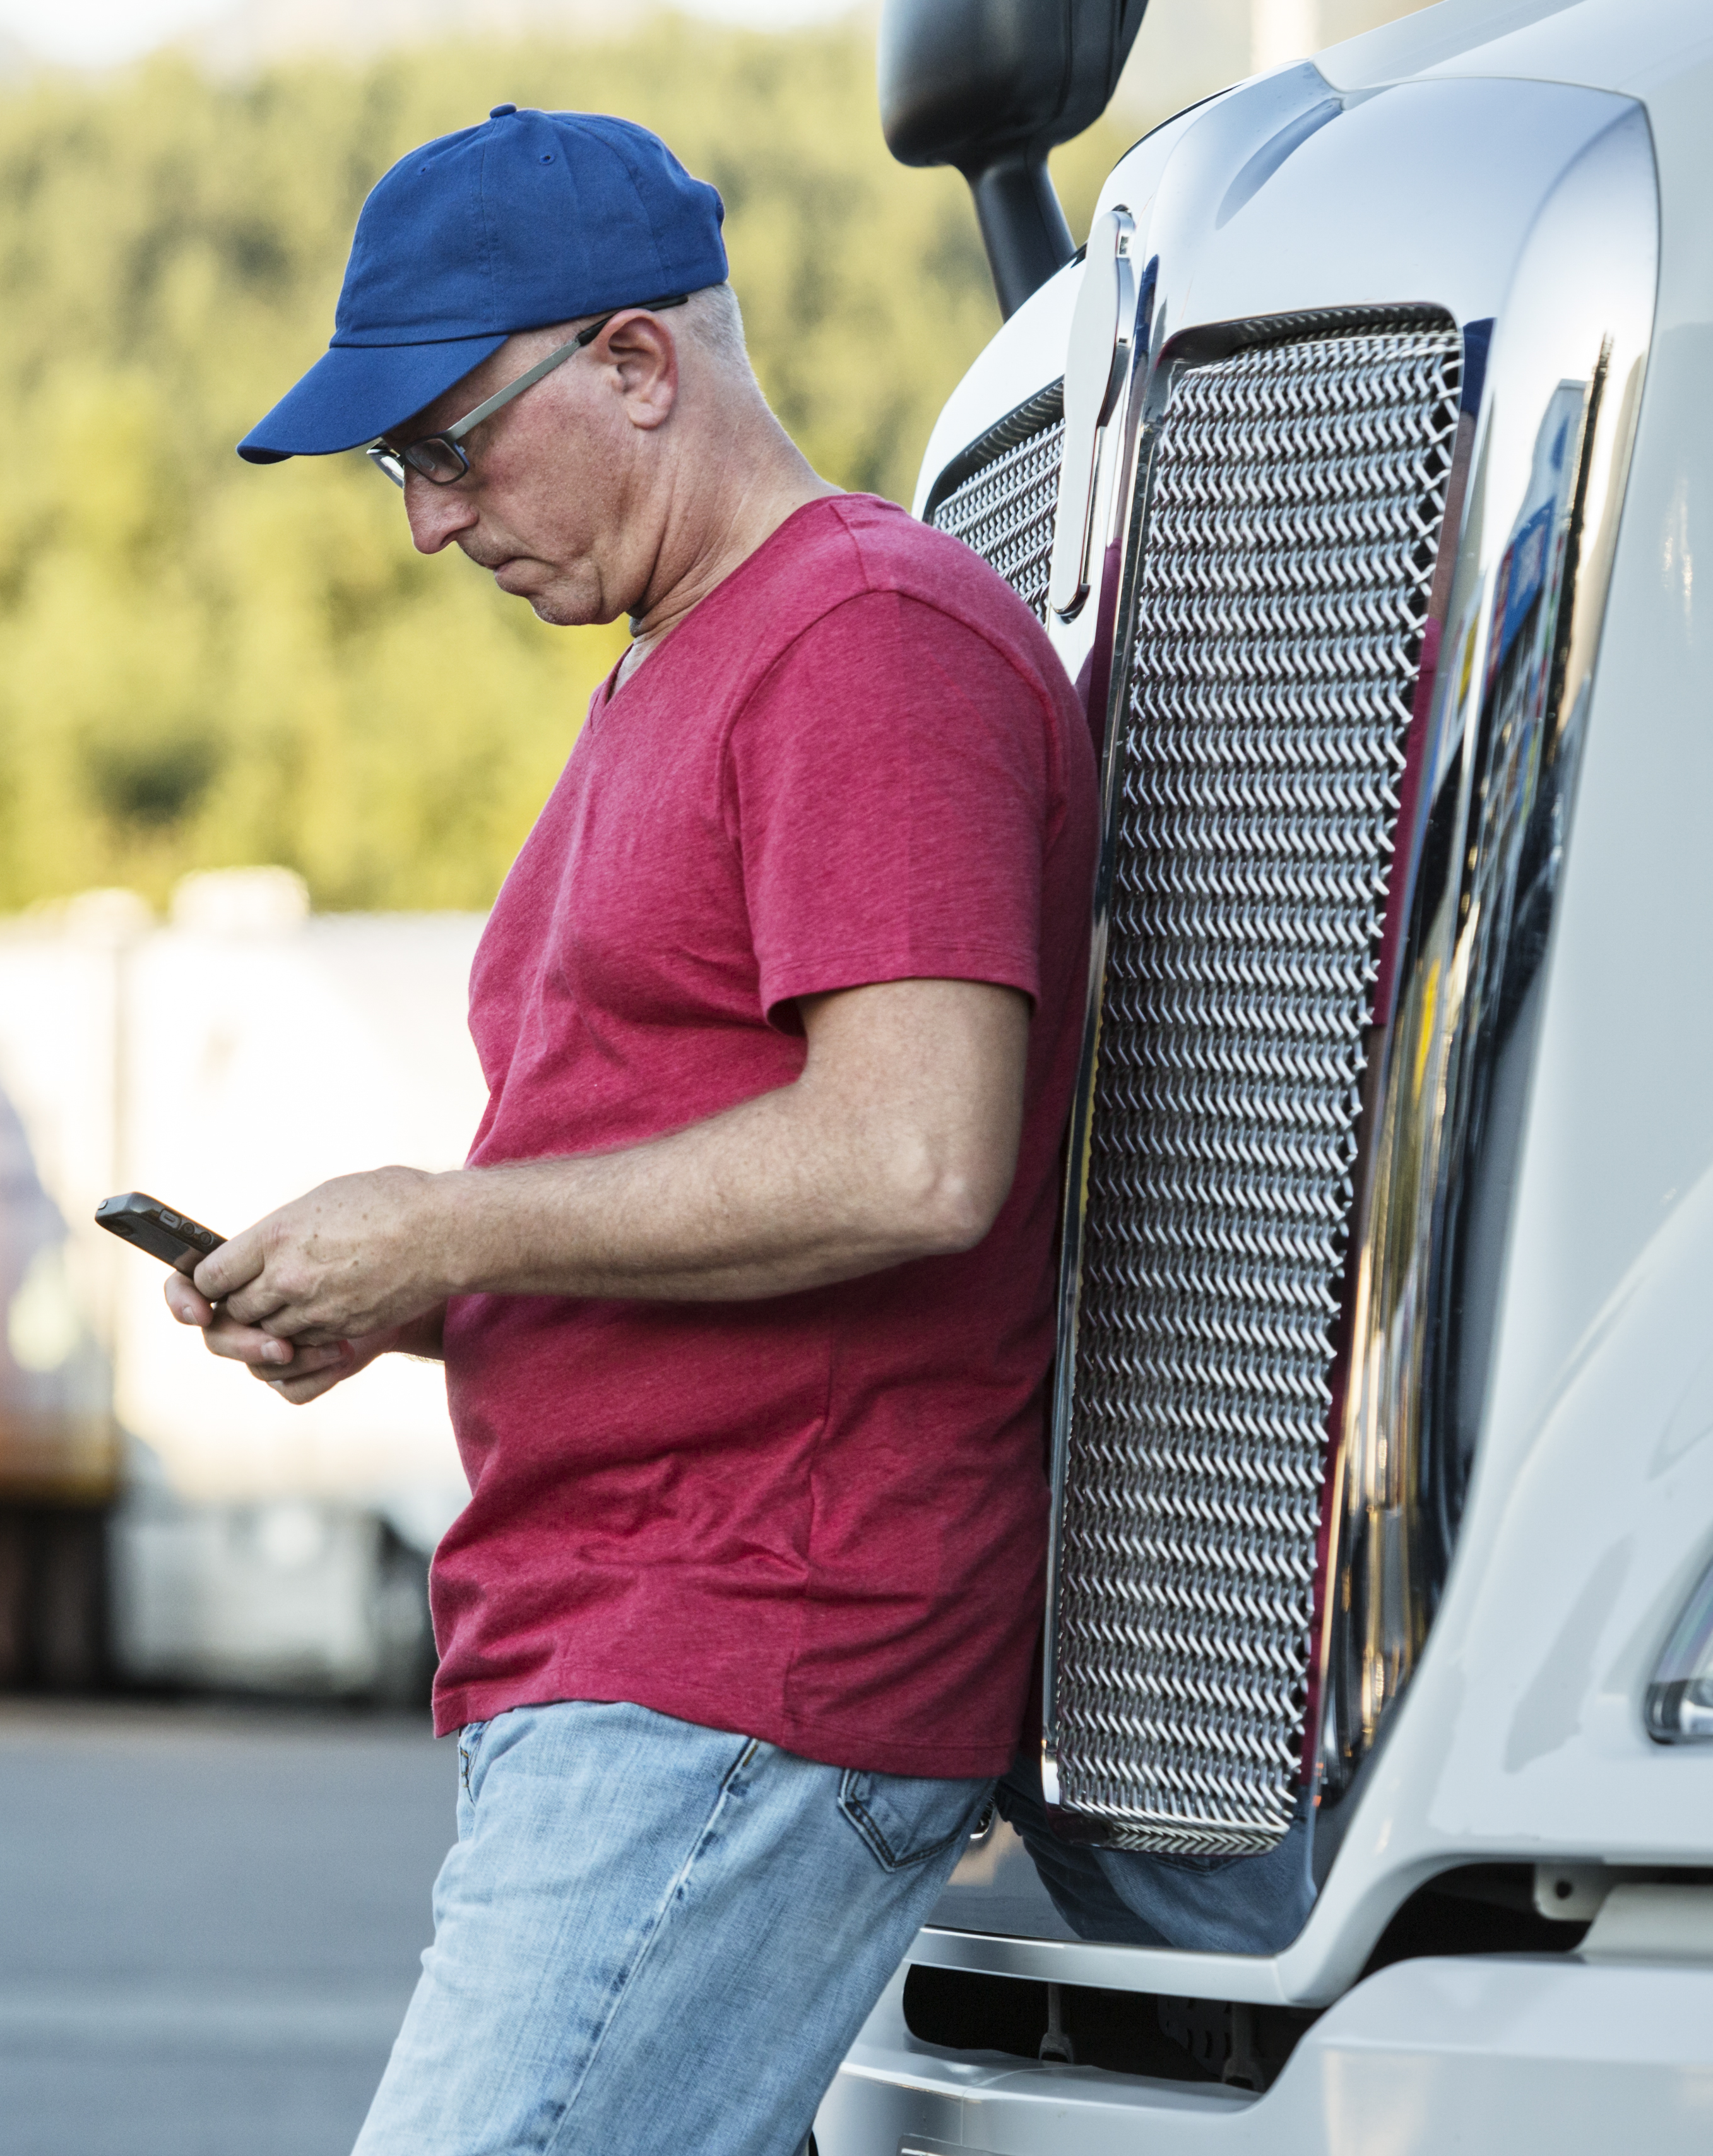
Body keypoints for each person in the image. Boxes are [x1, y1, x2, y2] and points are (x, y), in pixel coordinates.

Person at [186, 106, 1097, 2153]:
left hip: (743, 1648)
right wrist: (400, 1293)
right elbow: (700, 1188)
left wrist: (446, 1230)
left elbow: (909, 1157)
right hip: (633, 1657)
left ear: (632, 362)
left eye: (443, 445)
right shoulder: (677, 667)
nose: (425, 522)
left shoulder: (862, 636)